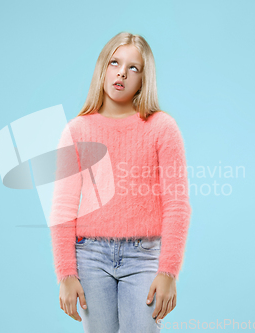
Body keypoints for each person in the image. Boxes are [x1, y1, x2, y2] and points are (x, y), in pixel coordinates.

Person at [49, 31, 192, 332]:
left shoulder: (162, 128)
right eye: (115, 62)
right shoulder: (76, 130)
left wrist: (168, 271)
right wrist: (66, 274)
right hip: (90, 257)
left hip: (143, 257)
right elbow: (63, 207)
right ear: (103, 66)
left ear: (143, 78)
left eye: (133, 68)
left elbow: (177, 204)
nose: (121, 73)